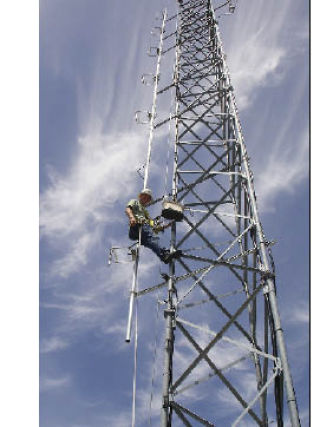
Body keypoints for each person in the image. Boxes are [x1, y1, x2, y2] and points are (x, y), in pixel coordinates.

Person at [125, 188, 181, 264]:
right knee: (150, 234)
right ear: (141, 196)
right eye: (145, 197)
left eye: (148, 199)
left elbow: (153, 227)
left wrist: (166, 226)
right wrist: (132, 217)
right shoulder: (135, 202)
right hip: (136, 226)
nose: (146, 200)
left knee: (151, 241)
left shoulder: (145, 213)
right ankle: (163, 253)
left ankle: (164, 255)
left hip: (143, 230)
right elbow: (128, 209)